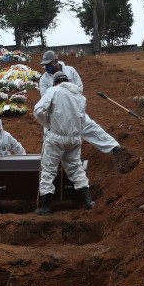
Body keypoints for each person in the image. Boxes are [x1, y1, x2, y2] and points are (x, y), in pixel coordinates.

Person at [39, 50, 131, 164]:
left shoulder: (70, 70)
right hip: (56, 113)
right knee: (49, 136)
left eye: (49, 64)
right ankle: (49, 163)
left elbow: (79, 88)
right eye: (45, 65)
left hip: (73, 108)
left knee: (90, 127)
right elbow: (46, 98)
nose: (47, 67)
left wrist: (67, 96)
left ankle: (114, 148)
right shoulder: (44, 80)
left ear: (56, 61)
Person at [33, 73, 92, 215]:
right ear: (68, 81)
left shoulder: (54, 90)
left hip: (56, 138)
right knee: (76, 168)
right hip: (74, 139)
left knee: (48, 170)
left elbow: (38, 110)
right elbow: (83, 119)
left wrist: (47, 124)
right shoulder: (79, 96)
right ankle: (88, 201)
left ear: (55, 82)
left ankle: (46, 207)